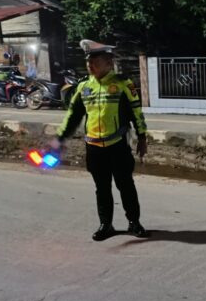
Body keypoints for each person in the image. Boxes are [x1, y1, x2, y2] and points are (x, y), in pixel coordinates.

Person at [50, 40, 149, 241]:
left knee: (125, 185)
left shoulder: (123, 84)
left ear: (109, 63)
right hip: (94, 148)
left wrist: (142, 137)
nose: (90, 66)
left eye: (95, 62)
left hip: (118, 146)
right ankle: (106, 225)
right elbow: (72, 116)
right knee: (102, 188)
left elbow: (136, 112)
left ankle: (134, 222)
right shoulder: (83, 87)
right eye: (88, 62)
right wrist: (60, 138)